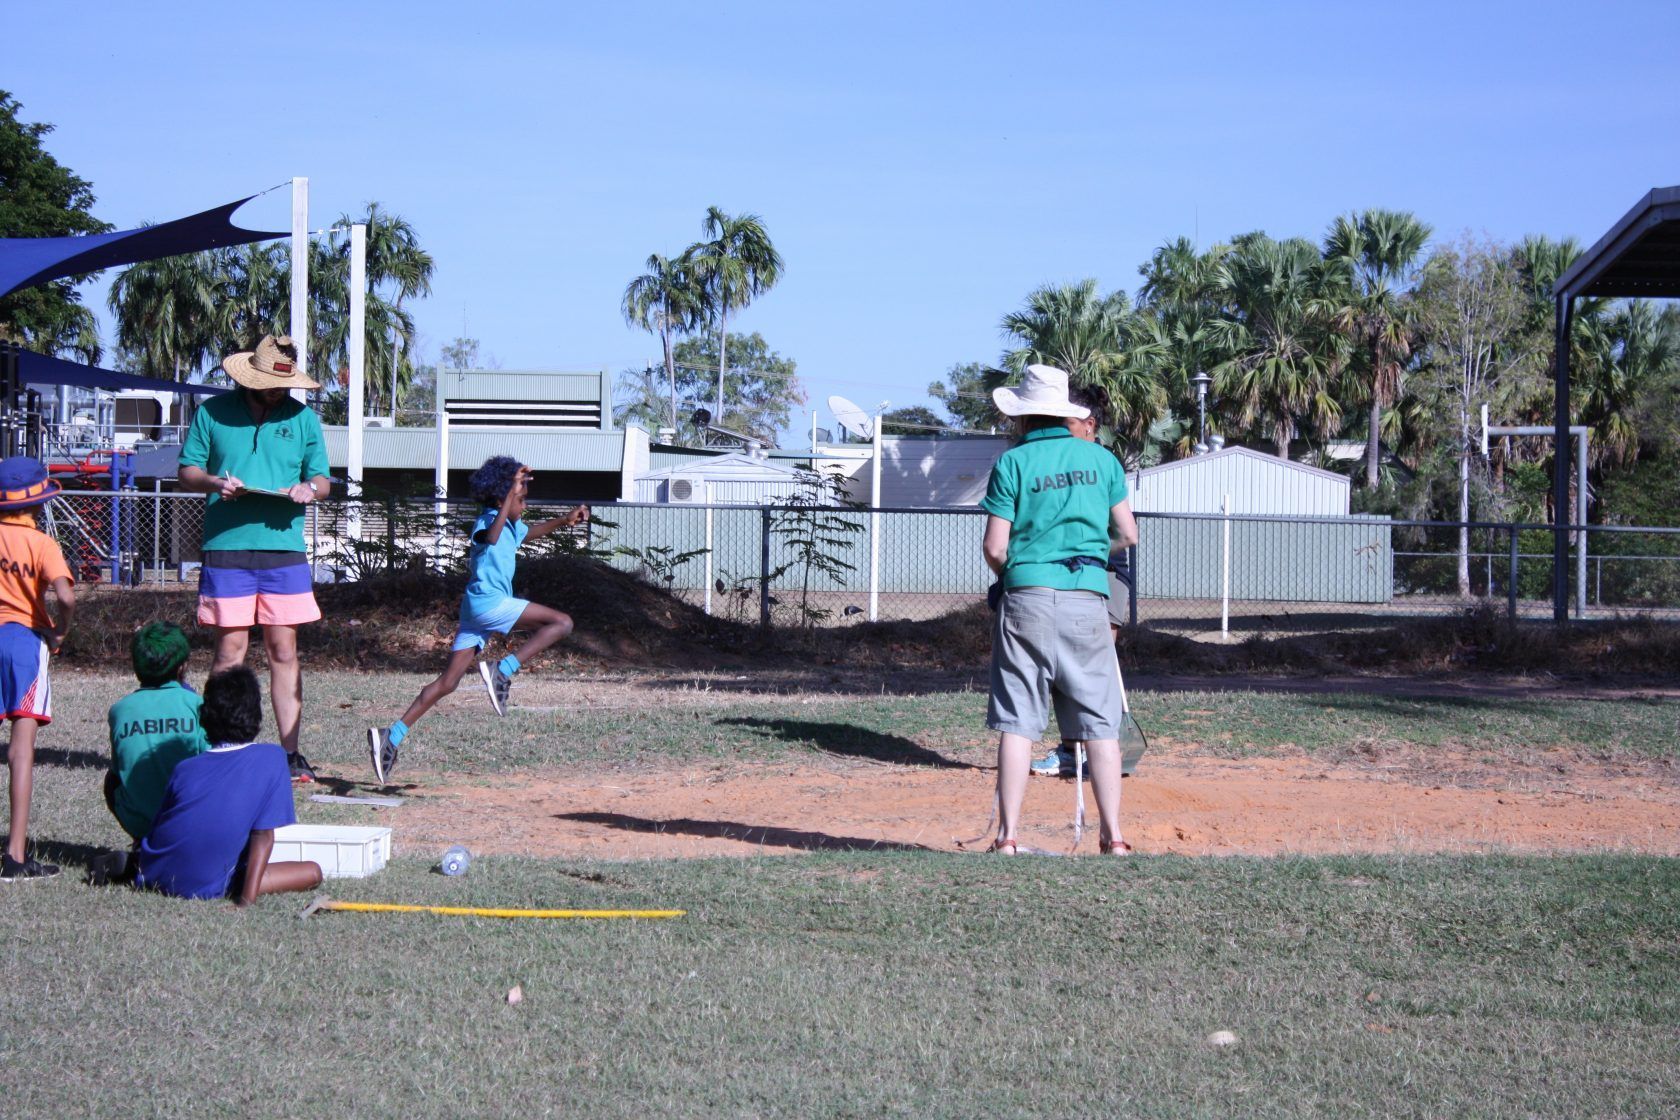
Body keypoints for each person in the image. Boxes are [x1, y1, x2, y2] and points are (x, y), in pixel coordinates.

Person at [979, 365, 1137, 855]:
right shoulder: (1103, 461)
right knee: (1100, 724)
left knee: (1018, 719)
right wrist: (1090, 554)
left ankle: (1007, 838)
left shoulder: (1013, 463)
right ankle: (1113, 836)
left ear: (1023, 417)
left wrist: (1019, 571)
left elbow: (994, 548)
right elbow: (1128, 535)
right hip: (1088, 598)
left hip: (1026, 597)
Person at [366, 456, 587, 782]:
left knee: (448, 682)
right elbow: (492, 538)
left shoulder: (510, 524)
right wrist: (511, 494)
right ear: (502, 498)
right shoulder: (487, 521)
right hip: (489, 603)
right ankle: (503, 669)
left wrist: (564, 520)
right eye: (521, 500)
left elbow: (529, 534)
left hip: (476, 611)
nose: (523, 506)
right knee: (562, 623)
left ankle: (392, 735)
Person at [177, 335, 331, 782]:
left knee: (284, 649)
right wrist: (212, 483)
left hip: (285, 549)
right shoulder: (212, 413)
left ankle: (290, 754)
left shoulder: (303, 419)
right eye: (267, 383)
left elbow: (322, 480)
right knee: (231, 650)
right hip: (227, 546)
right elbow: (187, 470)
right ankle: (223, 748)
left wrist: (310, 489)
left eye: (283, 385)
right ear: (248, 378)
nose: (276, 392)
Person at [136, 667, 322, 904]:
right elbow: (263, 836)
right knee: (312, 872)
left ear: (206, 716)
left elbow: (163, 826)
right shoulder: (273, 758)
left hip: (154, 872)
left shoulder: (185, 768)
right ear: (255, 715)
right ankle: (235, 884)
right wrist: (246, 901)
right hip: (205, 881)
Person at [1030, 384, 1139, 779]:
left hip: (1106, 573)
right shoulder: (1054, 460)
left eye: (1068, 421)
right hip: (1066, 577)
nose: (1059, 427)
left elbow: (1125, 532)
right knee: (1064, 667)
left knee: (1094, 669)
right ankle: (1069, 751)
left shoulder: (1101, 463)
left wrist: (1090, 554)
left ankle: (1099, 752)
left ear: (1089, 425)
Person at [0, 456, 74, 881]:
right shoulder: (43, 544)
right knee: (20, 750)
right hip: (25, 644)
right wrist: (61, 631)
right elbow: (65, 596)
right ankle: (15, 854)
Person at [105, 622, 208, 844]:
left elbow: (119, 768)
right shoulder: (196, 704)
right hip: (190, 819)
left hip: (140, 820)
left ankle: (141, 839)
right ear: (182, 667)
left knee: (111, 780)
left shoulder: (120, 710)